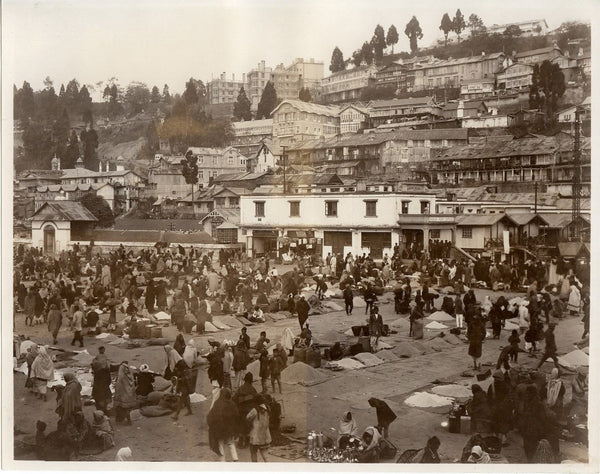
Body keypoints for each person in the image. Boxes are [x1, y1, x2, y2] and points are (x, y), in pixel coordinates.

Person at [207, 388, 239, 462]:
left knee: (220, 444)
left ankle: (222, 461)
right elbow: (237, 416)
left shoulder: (217, 403)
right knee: (231, 443)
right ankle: (235, 458)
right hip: (229, 429)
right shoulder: (232, 404)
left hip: (219, 429)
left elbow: (210, 416)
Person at [246, 395, 272, 462]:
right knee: (265, 453)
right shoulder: (267, 408)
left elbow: (247, 418)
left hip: (255, 436)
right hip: (265, 435)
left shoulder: (255, 410)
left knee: (253, 452)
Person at [91, 346, 112, 412]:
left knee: (100, 404)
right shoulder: (106, 372)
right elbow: (109, 381)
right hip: (105, 389)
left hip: (99, 391)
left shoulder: (96, 374)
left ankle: (101, 414)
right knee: (105, 402)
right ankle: (105, 413)